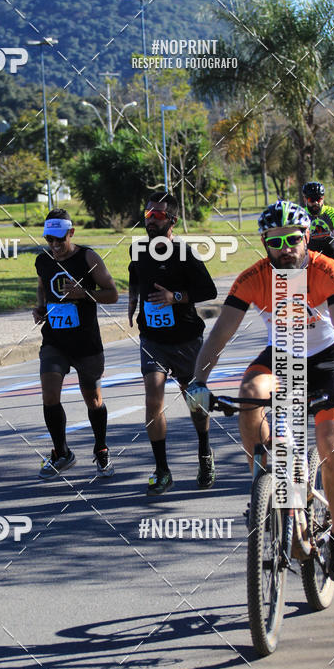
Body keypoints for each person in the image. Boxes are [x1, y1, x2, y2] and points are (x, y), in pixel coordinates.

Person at [187, 200, 334, 582]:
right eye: (275, 241)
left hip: (326, 361)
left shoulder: (327, 270)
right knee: (250, 392)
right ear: (264, 243)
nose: (285, 248)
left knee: (330, 445)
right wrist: (198, 381)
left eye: (292, 239)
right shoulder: (253, 277)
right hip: (282, 358)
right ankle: (265, 485)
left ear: (307, 237)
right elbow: (220, 335)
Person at [128, 192, 218, 495]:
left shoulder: (183, 253)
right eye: (147, 214)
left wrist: (174, 297)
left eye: (157, 215)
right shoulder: (137, 249)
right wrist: (132, 302)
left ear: (172, 220)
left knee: (194, 401)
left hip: (186, 339)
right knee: (153, 400)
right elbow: (134, 275)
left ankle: (204, 452)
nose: (150, 220)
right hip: (152, 339)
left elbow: (209, 290)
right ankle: (162, 470)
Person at [33, 208, 118, 480]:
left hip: (86, 342)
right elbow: (42, 287)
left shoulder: (88, 257)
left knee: (93, 399)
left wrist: (84, 294)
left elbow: (113, 294)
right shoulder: (43, 260)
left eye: (60, 239)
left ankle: (101, 448)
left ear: (71, 232)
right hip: (54, 340)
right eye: (49, 240)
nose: (55, 245)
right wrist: (40, 307)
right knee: (49, 395)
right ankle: (62, 452)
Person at [302, 181, 334, 268]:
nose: (316, 203)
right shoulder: (301, 215)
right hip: (311, 257)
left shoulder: (332, 213)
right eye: (311, 200)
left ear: (323, 198)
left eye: (318, 199)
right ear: (305, 199)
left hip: (333, 254)